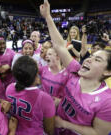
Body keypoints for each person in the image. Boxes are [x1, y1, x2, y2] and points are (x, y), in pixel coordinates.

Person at [40, 1, 111, 135]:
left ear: (107, 71)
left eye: (97, 59)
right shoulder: (76, 70)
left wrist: (64, 124)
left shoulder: (107, 101)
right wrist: (48, 17)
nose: (89, 59)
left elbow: (98, 132)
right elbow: (60, 46)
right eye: (92, 56)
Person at [6, 56, 55, 135]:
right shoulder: (45, 99)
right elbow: (49, 130)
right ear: (36, 76)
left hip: (15, 131)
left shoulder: (9, 88)